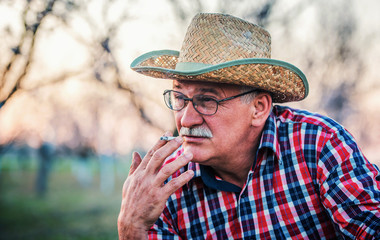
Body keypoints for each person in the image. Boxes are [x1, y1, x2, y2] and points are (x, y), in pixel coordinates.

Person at [118, 13, 380, 239]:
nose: (186, 120)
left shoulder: (318, 144)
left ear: (259, 108)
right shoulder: (162, 187)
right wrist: (132, 229)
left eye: (207, 101)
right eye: (180, 98)